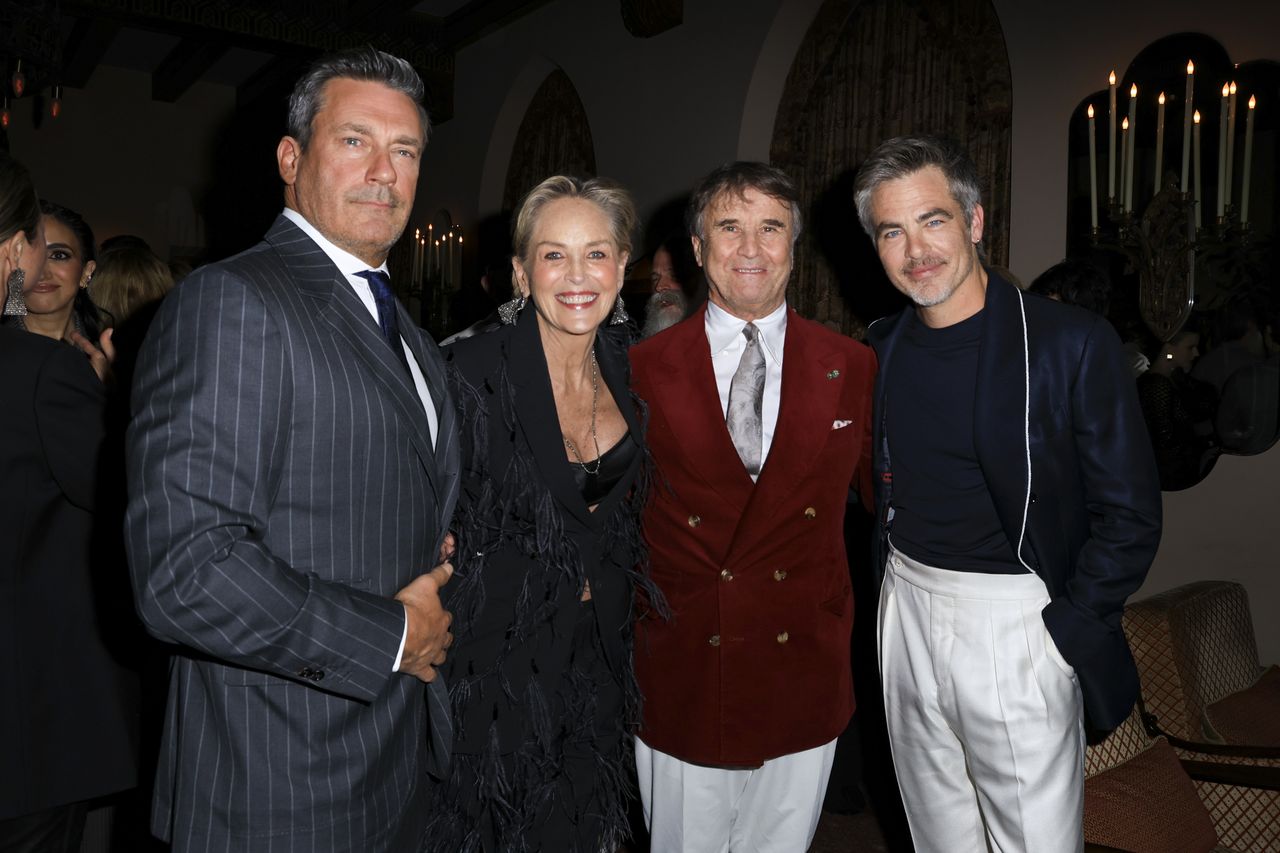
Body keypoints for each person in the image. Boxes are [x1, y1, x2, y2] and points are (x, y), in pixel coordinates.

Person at [125, 47, 459, 851]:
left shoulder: (407, 329)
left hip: (391, 765)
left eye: (404, 150)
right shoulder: (233, 300)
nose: (384, 171)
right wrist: (389, 636)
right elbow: (185, 569)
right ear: (291, 157)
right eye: (355, 141)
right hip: (277, 788)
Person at [852, 134, 1162, 853]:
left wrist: (1065, 634)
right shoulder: (878, 347)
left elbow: (1131, 514)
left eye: (933, 220)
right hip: (905, 609)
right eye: (891, 231)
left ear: (975, 222)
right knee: (938, 837)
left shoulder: (1070, 342)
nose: (916, 249)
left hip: (1016, 622)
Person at [630, 162, 876, 852]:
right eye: (729, 228)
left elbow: (894, 507)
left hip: (801, 661)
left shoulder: (851, 366)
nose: (750, 248)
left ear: (793, 247)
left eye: (771, 229)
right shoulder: (638, 369)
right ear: (697, 248)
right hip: (682, 664)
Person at [424, 175, 660, 851]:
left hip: (596, 663)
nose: (578, 275)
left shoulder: (630, 365)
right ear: (522, 274)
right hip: (491, 669)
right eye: (555, 255)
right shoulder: (466, 371)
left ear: (621, 265)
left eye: (597, 253)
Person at [0, 152, 138, 852]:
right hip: (35, 706)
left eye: (63, 253)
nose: (42, 267)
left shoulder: (78, 362)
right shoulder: (43, 374)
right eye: (35, 247)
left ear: (87, 269)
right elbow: (132, 501)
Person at [2, 200, 113, 380]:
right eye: (28, 255)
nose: (42, 273)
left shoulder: (110, 357)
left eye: (59, 255)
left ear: (87, 271)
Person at [1138, 328, 1219, 489]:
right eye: (1190, 347)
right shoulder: (1156, 385)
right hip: (1168, 481)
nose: (1196, 353)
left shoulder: (1174, 379)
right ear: (1168, 349)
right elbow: (1165, 444)